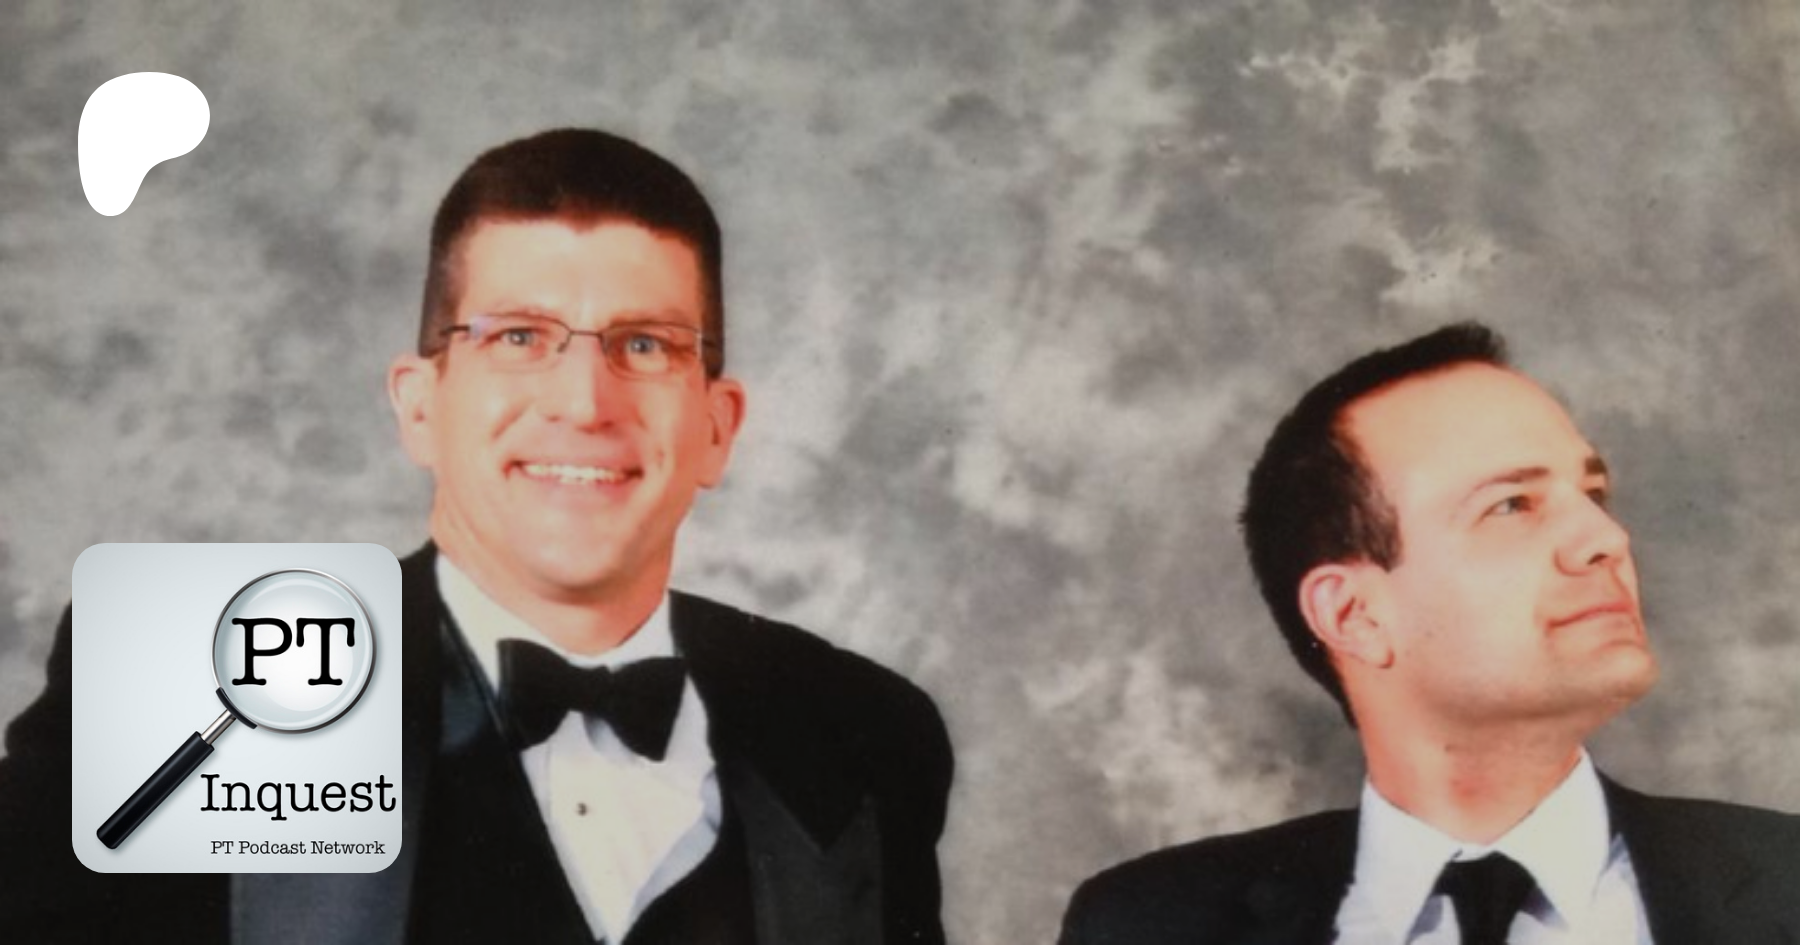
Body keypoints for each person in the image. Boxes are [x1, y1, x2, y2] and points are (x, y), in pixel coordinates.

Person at [0, 128, 953, 944]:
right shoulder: (210, 682)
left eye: (646, 345)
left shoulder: (859, 731)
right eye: (519, 337)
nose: (585, 403)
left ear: (717, 425)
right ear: (421, 406)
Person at [1059, 323, 1800, 944]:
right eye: (1511, 505)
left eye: (1594, 493)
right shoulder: (1145, 924)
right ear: (1353, 615)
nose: (1606, 538)